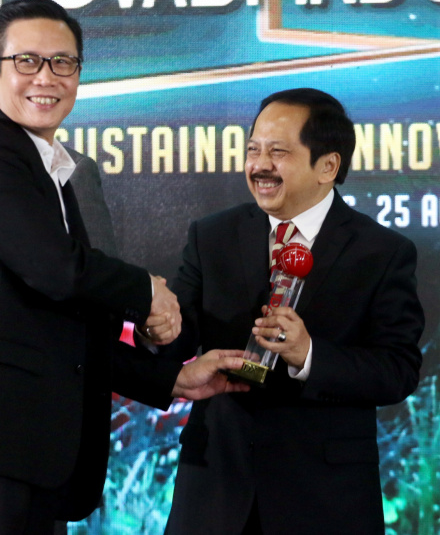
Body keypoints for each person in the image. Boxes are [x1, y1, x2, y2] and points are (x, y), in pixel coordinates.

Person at [0, 0, 246, 535]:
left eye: (62, 62)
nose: (46, 77)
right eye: (26, 61)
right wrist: (147, 292)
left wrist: (173, 379)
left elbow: (65, 327)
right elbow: (57, 270)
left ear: (79, 75)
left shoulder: (54, 171)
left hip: (29, 456)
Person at [149, 88, 425, 535]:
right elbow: (174, 338)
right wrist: (156, 325)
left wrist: (309, 354)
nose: (260, 165)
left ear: (328, 166)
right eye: (253, 150)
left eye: (278, 152)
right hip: (216, 489)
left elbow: (398, 370)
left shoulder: (382, 252)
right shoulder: (212, 236)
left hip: (324, 499)